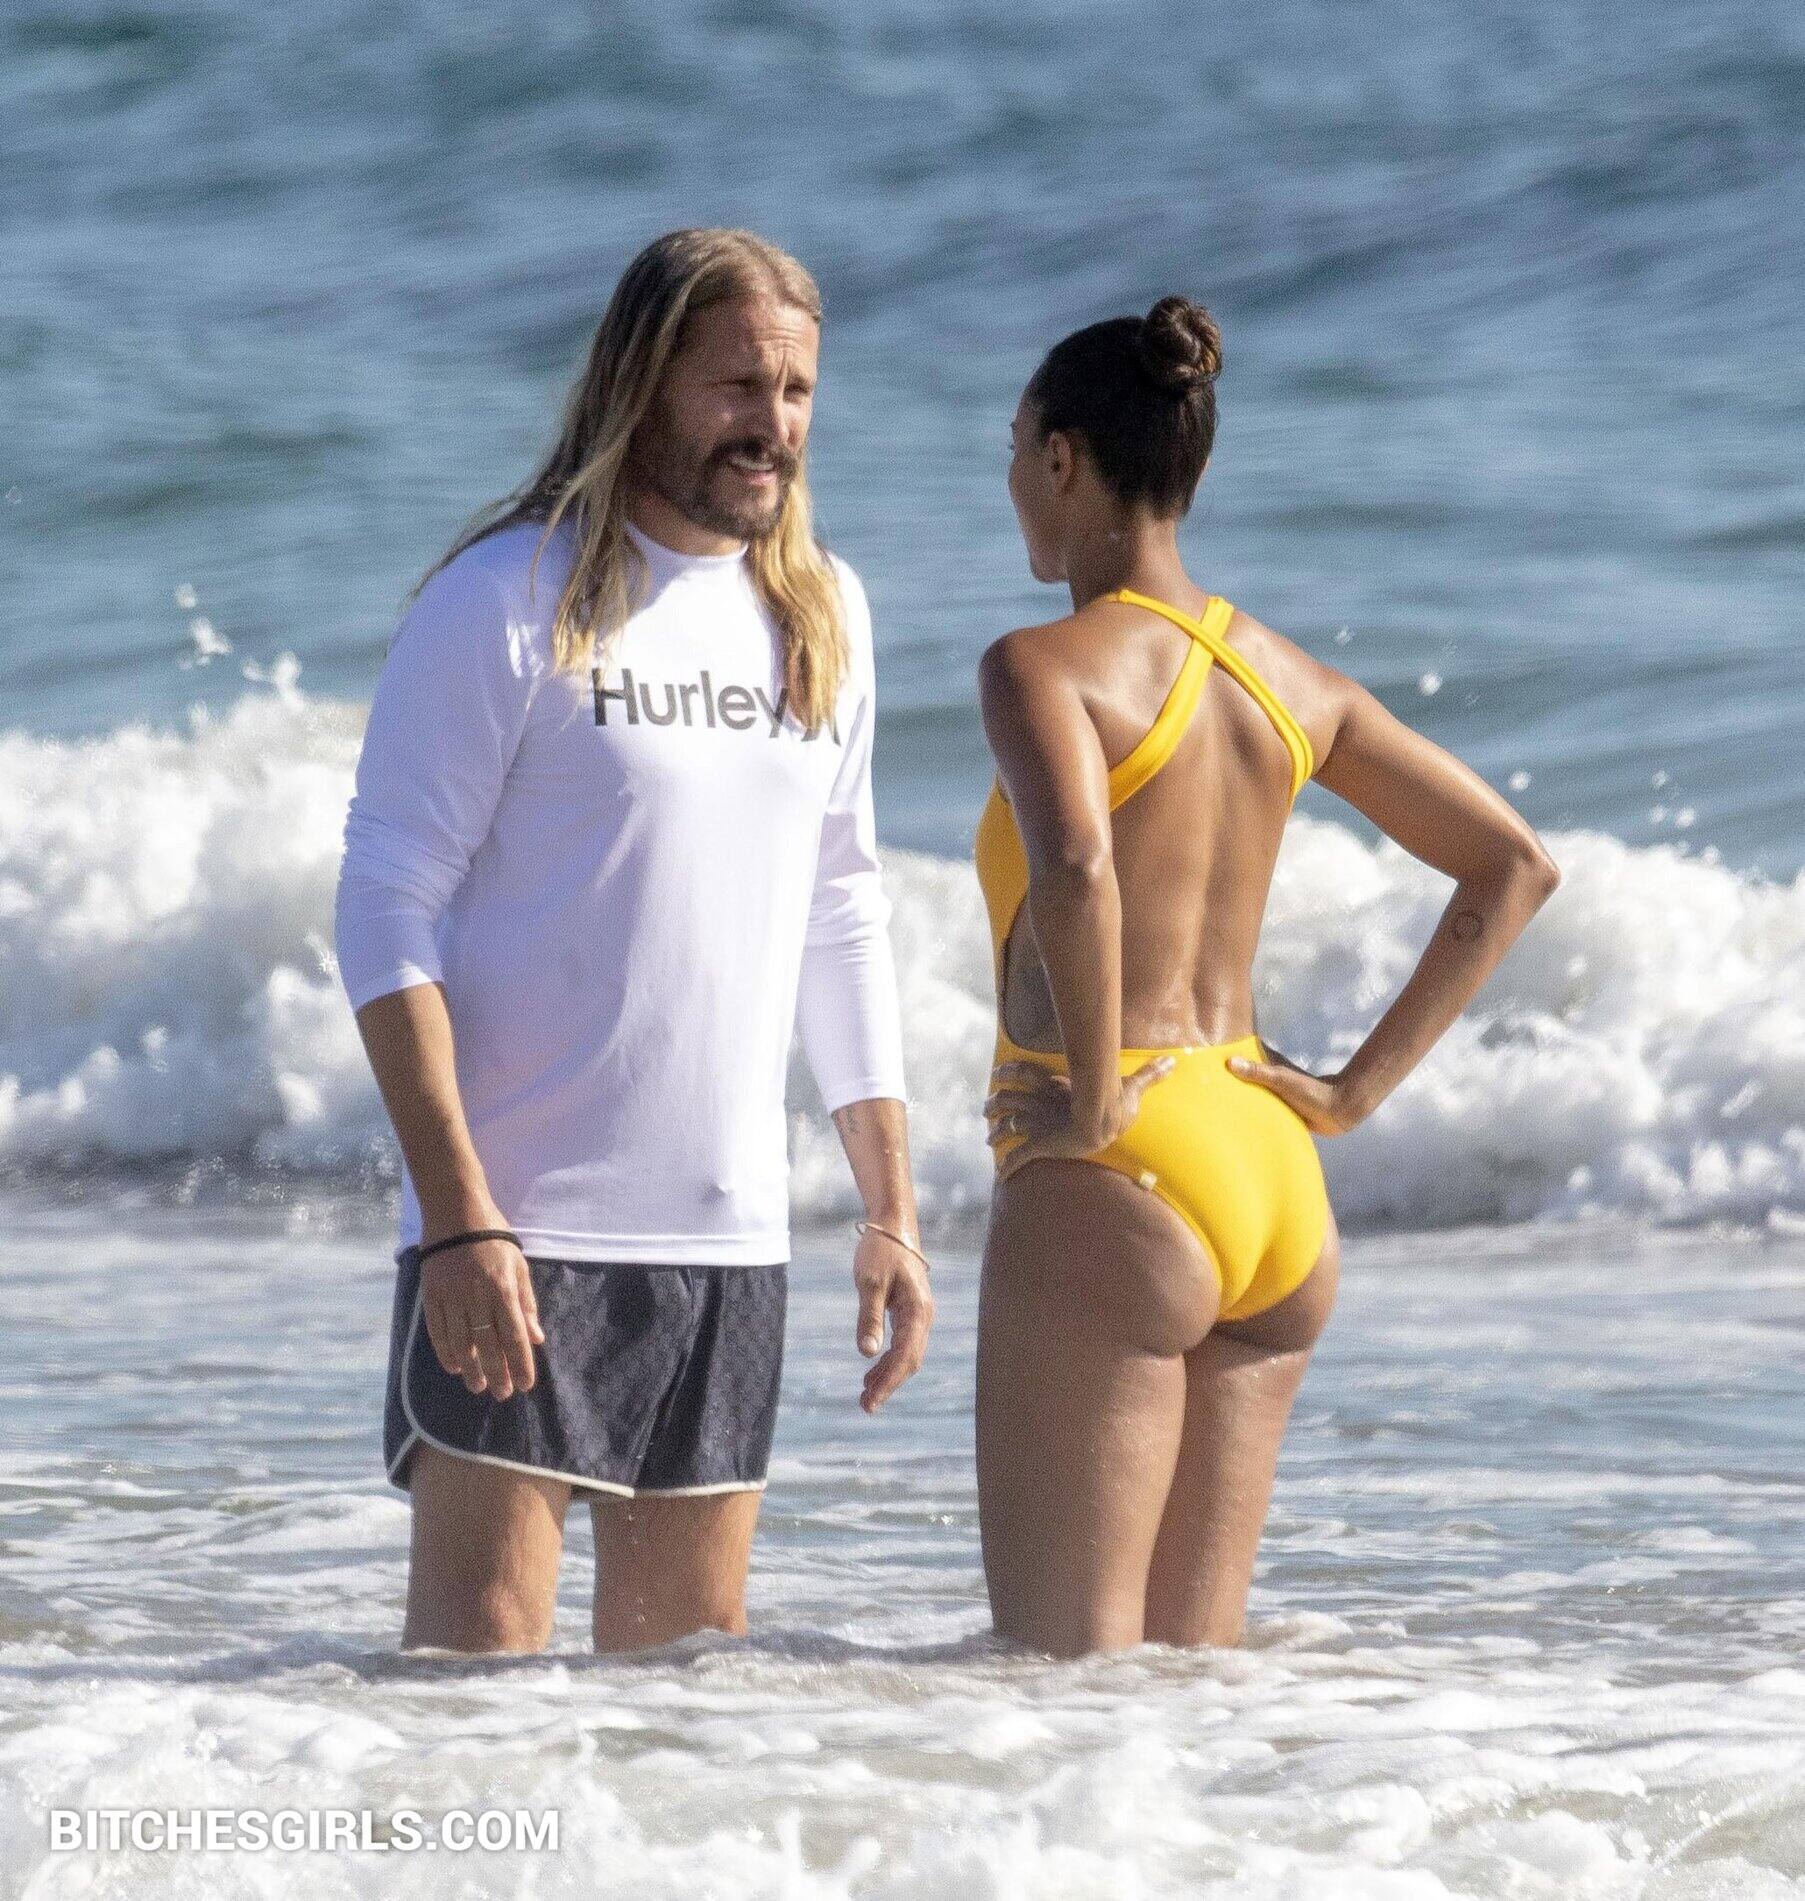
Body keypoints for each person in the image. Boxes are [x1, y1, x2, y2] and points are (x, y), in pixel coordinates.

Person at [333, 227, 933, 1656]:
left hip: (725, 1238)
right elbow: (383, 905)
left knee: (682, 1694)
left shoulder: (820, 613)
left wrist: (890, 1208)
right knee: (475, 1682)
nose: (772, 423)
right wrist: (460, 1216)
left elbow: (841, 908)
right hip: (517, 1232)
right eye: (737, 385)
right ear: (640, 381)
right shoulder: (504, 598)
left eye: (796, 390)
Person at [972, 295, 1560, 1657]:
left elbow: (1077, 867)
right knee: (1195, 1683)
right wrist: (1349, 1095)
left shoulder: (1038, 667)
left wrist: (1098, 1099)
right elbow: (1512, 864)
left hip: (1120, 1168)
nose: (1010, 481)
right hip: (1267, 1163)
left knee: (1061, 1682)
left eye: (1013, 449)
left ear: (1062, 458)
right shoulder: (1292, 680)